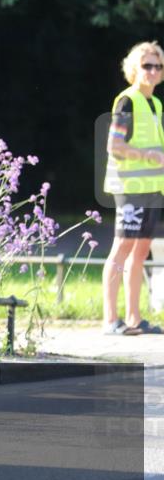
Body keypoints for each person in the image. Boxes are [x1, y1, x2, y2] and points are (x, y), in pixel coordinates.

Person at [102, 40, 164, 336]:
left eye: (158, 66)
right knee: (122, 248)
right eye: (147, 65)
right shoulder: (126, 101)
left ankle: (135, 319)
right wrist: (148, 156)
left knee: (141, 252)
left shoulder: (156, 104)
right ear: (134, 69)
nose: (153, 71)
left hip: (153, 188)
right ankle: (110, 320)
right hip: (129, 187)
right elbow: (114, 145)